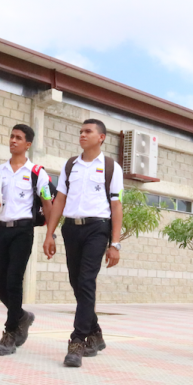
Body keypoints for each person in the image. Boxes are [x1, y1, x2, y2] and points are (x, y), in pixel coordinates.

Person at [43, 119, 123, 368]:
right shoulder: (71, 165)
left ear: (101, 137)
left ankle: (78, 341)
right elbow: (59, 200)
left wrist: (115, 243)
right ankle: (96, 332)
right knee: (77, 283)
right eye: (80, 131)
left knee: (87, 281)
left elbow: (116, 205)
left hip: (97, 228)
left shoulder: (111, 167)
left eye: (88, 131)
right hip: (71, 229)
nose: (82, 135)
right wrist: (50, 233)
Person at [0, 124, 53, 356]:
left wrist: (50, 235)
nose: (13, 140)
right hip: (1, 230)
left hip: (23, 231)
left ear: (27, 144)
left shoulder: (37, 172)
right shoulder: (0, 170)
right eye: (11, 136)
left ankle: (10, 333)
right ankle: (22, 316)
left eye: (18, 138)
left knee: (13, 281)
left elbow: (49, 204)